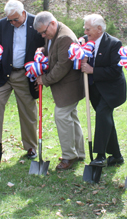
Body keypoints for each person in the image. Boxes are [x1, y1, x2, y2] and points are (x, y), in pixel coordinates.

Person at [0, 0, 44, 158]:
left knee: (28, 110)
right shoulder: (3, 24)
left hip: (26, 74)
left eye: (15, 19)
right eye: (10, 20)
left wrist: (41, 70)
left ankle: (31, 147)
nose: (12, 22)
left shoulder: (36, 22)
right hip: (4, 72)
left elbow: (46, 47)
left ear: (23, 13)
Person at [33, 11, 85, 170]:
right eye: (40, 33)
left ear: (52, 23)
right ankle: (79, 153)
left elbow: (62, 66)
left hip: (69, 86)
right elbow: (53, 51)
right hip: (66, 86)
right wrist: (42, 51)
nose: (43, 35)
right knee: (71, 117)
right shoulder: (54, 35)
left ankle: (69, 156)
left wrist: (44, 80)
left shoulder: (64, 37)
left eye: (44, 31)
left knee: (61, 115)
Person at [80, 14, 126, 167]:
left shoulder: (114, 43)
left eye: (88, 29)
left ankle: (99, 155)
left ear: (99, 29)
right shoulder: (85, 42)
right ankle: (117, 156)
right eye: (85, 29)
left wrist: (93, 70)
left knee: (102, 114)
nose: (85, 32)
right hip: (95, 89)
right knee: (106, 119)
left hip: (112, 90)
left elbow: (116, 71)